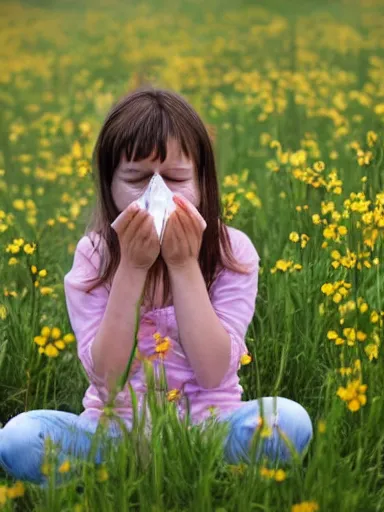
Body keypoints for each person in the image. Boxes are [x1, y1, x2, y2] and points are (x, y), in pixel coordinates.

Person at [0, 87, 313, 485]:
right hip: (116, 431)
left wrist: (183, 265)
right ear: (109, 185)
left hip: (209, 427)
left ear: (202, 183)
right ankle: (139, 468)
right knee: (20, 439)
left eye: (177, 178)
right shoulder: (95, 255)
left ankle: (182, 466)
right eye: (136, 179)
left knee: (289, 422)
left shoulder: (232, 250)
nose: (158, 194)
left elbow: (214, 372)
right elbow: (109, 381)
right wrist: (132, 266)